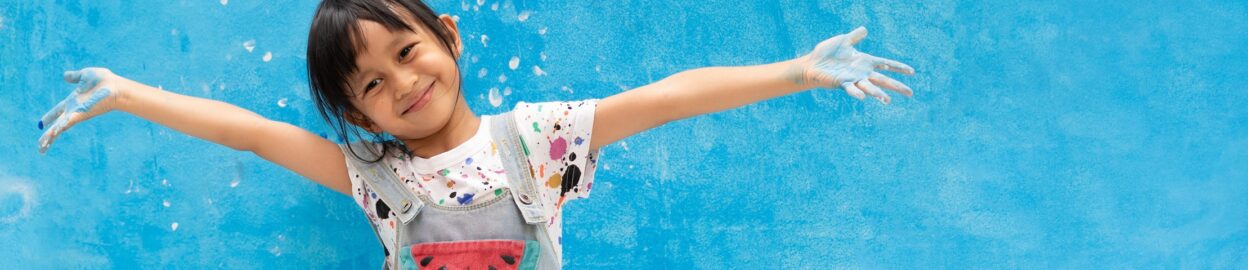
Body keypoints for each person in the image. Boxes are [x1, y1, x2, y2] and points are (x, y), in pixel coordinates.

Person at [35, 0, 915, 268]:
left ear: (448, 38)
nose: (402, 83)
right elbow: (253, 136)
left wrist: (797, 71)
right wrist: (128, 93)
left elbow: (667, 97)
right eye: (372, 84)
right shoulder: (371, 176)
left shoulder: (537, 140)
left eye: (408, 51)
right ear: (358, 116)